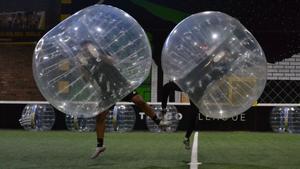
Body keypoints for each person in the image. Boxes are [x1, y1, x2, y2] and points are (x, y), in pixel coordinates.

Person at [90, 90, 170, 159]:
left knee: (139, 100)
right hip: (107, 90)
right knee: (100, 116)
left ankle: (158, 122)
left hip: (120, 84)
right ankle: (100, 145)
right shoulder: (93, 73)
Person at [161, 81, 199, 150]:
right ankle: (163, 109)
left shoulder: (206, 78)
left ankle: (186, 138)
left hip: (196, 91)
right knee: (166, 87)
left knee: (194, 114)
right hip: (188, 84)